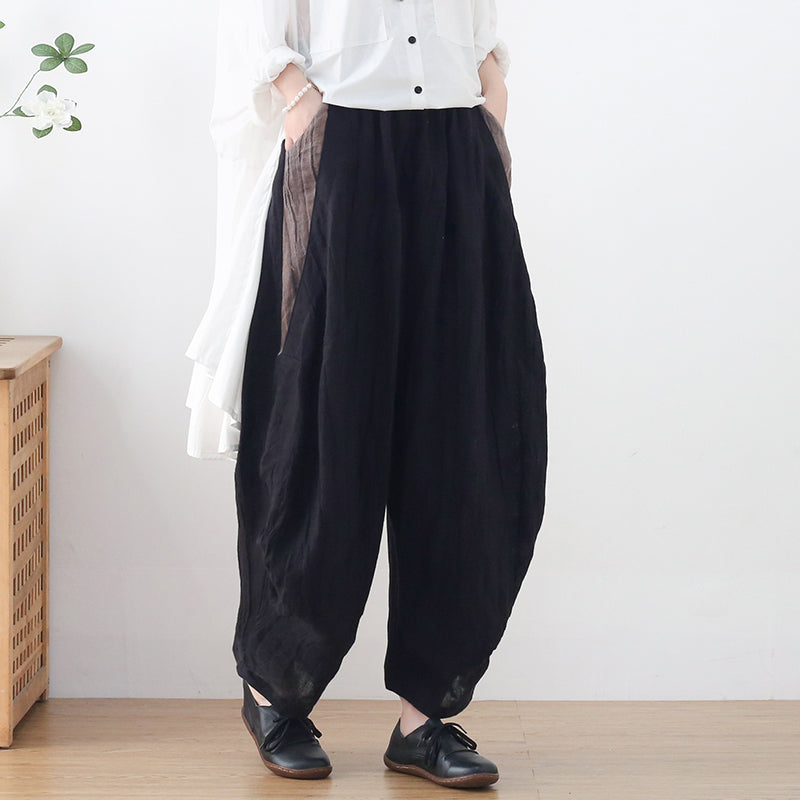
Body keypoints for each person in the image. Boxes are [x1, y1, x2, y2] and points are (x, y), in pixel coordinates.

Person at [186, 0, 548, 789]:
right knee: (320, 431)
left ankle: (425, 719)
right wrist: (297, 100)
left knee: (463, 435)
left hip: (457, 145)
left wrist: (489, 92)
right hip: (342, 141)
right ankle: (276, 691)